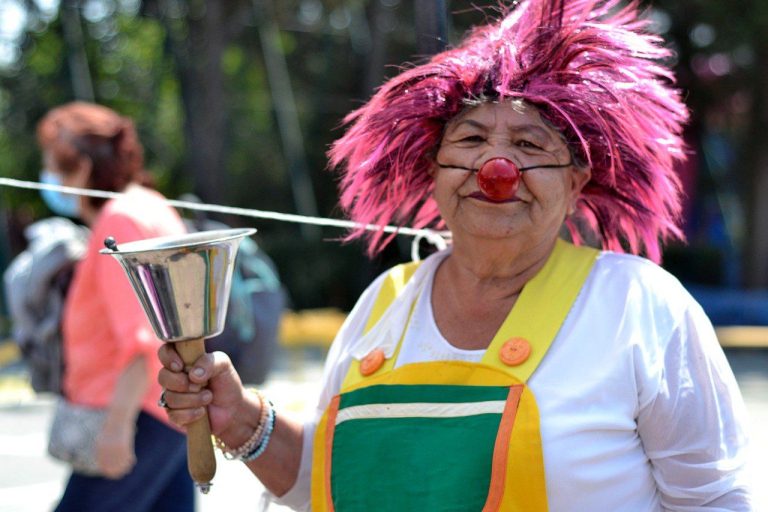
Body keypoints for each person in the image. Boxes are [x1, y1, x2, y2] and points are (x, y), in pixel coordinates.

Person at [157, 1, 753, 510]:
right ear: (435, 172)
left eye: (528, 143)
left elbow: (715, 499)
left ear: (575, 183)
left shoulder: (638, 305)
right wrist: (241, 419)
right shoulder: (384, 306)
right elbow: (326, 481)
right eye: (469, 141)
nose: (496, 169)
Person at [36, 101, 195, 511]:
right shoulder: (154, 205)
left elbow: (142, 337)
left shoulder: (117, 222)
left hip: (136, 413)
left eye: (54, 166)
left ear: (84, 169)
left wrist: (117, 428)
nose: (50, 178)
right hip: (173, 409)